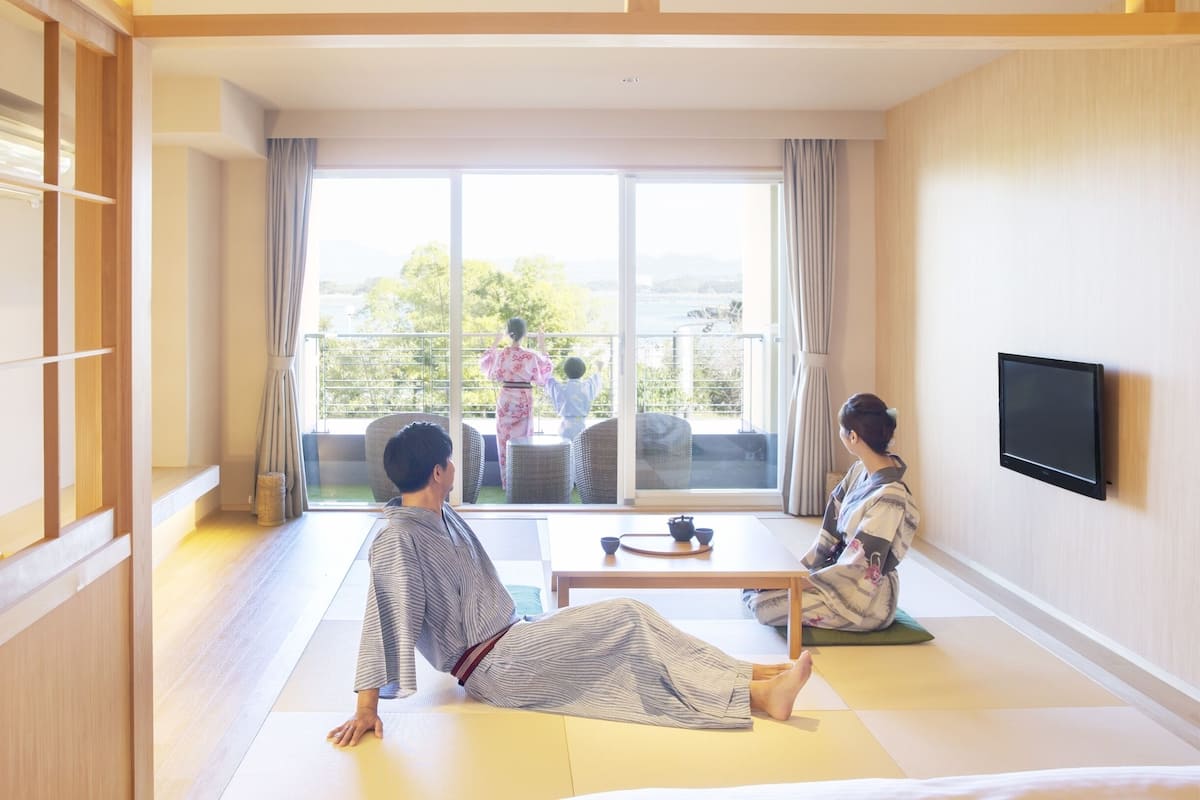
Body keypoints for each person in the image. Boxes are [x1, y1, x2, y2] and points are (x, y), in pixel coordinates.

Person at [327, 421, 814, 747]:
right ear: (438, 472)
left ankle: (751, 674)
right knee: (627, 620)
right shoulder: (397, 539)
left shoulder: (438, 512)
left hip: (516, 637)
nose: (455, 468)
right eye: (451, 461)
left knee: (632, 623)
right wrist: (366, 706)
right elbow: (382, 617)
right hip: (497, 667)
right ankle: (754, 694)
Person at [743, 392, 920, 631]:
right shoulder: (859, 470)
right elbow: (829, 532)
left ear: (853, 437)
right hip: (836, 578)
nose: (840, 434)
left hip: (864, 600)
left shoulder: (890, 497)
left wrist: (803, 584)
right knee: (754, 587)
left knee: (763, 607)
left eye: (841, 429)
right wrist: (795, 575)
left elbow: (861, 566)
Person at [478, 317, 553, 489]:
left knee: (503, 441)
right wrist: (542, 344)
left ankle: (507, 483)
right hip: (524, 398)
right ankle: (523, 481)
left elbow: (487, 367)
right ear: (524, 333)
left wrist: (495, 342)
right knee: (524, 438)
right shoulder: (530, 355)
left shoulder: (502, 354)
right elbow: (546, 369)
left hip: (505, 399)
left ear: (508, 332)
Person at [545, 355, 603, 441]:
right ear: (583, 371)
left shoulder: (561, 389)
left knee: (565, 450)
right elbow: (595, 380)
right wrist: (599, 368)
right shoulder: (586, 388)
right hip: (581, 426)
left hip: (565, 427)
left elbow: (549, 381)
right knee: (580, 451)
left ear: (566, 371)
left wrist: (547, 363)